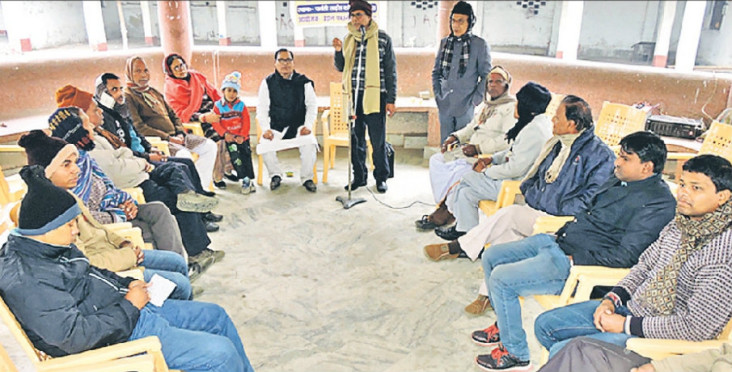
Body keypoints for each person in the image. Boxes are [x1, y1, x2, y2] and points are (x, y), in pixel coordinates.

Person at [0, 165, 255, 372]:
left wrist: (127, 285)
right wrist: (131, 304)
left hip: (125, 311)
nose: (76, 230)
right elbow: (74, 336)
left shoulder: (50, 248)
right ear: (44, 229)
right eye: (70, 225)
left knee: (216, 317)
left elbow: (92, 273)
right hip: (120, 336)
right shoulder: (28, 280)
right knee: (221, 354)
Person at [468, 131, 676, 371]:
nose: (617, 161)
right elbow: (587, 214)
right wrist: (558, 233)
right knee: (493, 256)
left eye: (626, 158)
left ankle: (516, 353)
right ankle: (505, 328)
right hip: (560, 241)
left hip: (577, 262)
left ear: (646, 167)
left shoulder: (658, 204)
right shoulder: (619, 178)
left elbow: (627, 256)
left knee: (503, 280)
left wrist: (575, 258)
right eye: (619, 155)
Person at [534, 155, 732, 360]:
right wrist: (611, 299)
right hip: (633, 310)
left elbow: (695, 328)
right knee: (546, 325)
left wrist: (625, 325)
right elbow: (644, 266)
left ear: (722, 196)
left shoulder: (723, 254)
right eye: (682, 184)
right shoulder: (681, 224)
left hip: (661, 339)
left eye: (696, 188)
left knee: (568, 352)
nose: (683, 193)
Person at [17, 133, 193, 299]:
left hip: (114, 252)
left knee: (177, 262)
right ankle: (172, 311)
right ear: (48, 171)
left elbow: (98, 228)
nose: (76, 170)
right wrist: (129, 256)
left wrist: (123, 242)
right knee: (181, 285)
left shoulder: (66, 195)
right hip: (106, 271)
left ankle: (174, 305)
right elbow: (86, 264)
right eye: (66, 164)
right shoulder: (52, 211)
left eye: (75, 162)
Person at [54, 85, 219, 216]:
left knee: (181, 168)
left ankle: (198, 204)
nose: (101, 111)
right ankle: (195, 213)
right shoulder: (90, 144)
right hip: (134, 178)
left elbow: (127, 146)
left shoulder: (104, 128)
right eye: (95, 110)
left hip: (138, 165)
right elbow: (117, 166)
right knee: (175, 192)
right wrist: (144, 160)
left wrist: (148, 152)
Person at [424, 82, 554, 240]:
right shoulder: (534, 123)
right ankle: (466, 235)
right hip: (510, 177)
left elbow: (515, 169)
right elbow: (513, 150)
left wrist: (486, 171)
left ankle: (456, 225)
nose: (516, 105)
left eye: (519, 103)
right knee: (466, 192)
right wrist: (492, 158)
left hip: (515, 185)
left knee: (466, 179)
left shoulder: (534, 131)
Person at [94, 72, 224, 227]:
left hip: (149, 152)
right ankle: (198, 215)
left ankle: (203, 211)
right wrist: (148, 155)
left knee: (186, 164)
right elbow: (124, 149)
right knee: (180, 169)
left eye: (120, 88)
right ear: (103, 94)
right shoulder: (105, 121)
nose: (120, 93)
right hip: (139, 161)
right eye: (114, 90)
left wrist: (151, 147)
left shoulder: (122, 110)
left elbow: (138, 133)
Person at [422, 66, 516, 207]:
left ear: (506, 85)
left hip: (486, 157)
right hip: (469, 151)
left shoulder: (511, 107)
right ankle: (444, 202)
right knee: (436, 160)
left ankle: (447, 208)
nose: (493, 85)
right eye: (490, 81)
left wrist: (479, 148)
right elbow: (472, 126)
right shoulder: (486, 105)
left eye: (498, 81)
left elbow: (508, 139)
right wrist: (455, 137)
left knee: (459, 174)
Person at [124, 55, 217, 193]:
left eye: (146, 70)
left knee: (210, 146)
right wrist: (168, 138)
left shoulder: (152, 91)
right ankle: (191, 192)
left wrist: (179, 132)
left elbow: (174, 114)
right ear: (129, 73)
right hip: (163, 141)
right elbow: (140, 127)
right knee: (185, 157)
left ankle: (200, 187)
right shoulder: (129, 96)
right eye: (138, 71)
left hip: (177, 136)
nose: (143, 75)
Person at [332, 0, 397, 193]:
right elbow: (341, 67)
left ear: (369, 17)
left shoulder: (383, 38)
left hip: (375, 97)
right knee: (356, 140)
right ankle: (359, 177)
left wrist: (391, 99)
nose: (355, 19)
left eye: (359, 15)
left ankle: (381, 178)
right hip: (352, 98)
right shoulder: (349, 38)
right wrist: (337, 52)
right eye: (352, 15)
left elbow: (390, 70)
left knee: (377, 141)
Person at [163, 53, 235, 189]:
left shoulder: (196, 77)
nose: (181, 69)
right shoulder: (171, 87)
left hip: (214, 111)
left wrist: (224, 107)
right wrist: (203, 117)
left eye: (182, 65)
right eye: (176, 68)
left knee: (234, 130)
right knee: (218, 138)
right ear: (170, 71)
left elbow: (214, 93)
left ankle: (228, 169)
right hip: (199, 119)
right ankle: (217, 175)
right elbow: (178, 113)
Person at [256, 48, 319, 193]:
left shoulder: (304, 82)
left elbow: (312, 105)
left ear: (293, 63)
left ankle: (307, 177)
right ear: (275, 63)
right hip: (276, 126)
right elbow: (262, 108)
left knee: (309, 143)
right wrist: (265, 129)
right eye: (281, 60)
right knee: (265, 144)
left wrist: (308, 125)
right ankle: (275, 175)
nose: (285, 64)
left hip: (299, 126)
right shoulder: (267, 83)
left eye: (288, 60)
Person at [432, 1, 491, 143]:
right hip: (445, 104)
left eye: (461, 21)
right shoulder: (445, 43)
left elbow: (486, 76)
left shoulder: (479, 45)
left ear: (470, 23)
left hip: (466, 106)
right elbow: (436, 73)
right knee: (445, 146)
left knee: (462, 148)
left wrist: (474, 101)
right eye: (453, 21)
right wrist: (438, 95)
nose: (456, 25)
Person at [537, 337, 732, 372]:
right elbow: (724, 353)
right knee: (583, 351)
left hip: (655, 331)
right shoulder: (673, 234)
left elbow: (696, 327)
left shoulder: (721, 264)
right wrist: (660, 367)